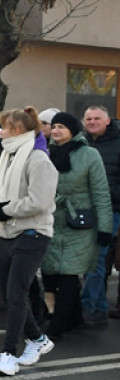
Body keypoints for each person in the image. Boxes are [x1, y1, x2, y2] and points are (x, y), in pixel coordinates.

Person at [0, 106, 59, 377]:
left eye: (4, 127)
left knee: (16, 294)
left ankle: (7, 354)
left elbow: (40, 201)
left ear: (17, 130)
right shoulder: (6, 157)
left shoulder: (38, 159)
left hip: (32, 234)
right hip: (6, 232)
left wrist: (6, 208)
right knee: (8, 292)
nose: (1, 132)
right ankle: (38, 339)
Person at [43, 112, 112, 339]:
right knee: (51, 271)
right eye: (54, 127)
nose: (56, 131)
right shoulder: (45, 153)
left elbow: (100, 192)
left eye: (61, 126)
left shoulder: (89, 155)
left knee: (69, 273)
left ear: (73, 130)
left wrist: (105, 227)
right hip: (51, 220)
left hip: (79, 222)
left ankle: (56, 327)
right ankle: (73, 318)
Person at [80, 105, 120, 323]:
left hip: (110, 210)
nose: (92, 122)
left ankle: (89, 307)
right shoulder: (81, 142)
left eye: (97, 118)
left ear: (107, 121)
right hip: (84, 210)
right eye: (88, 118)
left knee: (96, 259)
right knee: (90, 260)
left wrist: (106, 191)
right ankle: (98, 307)